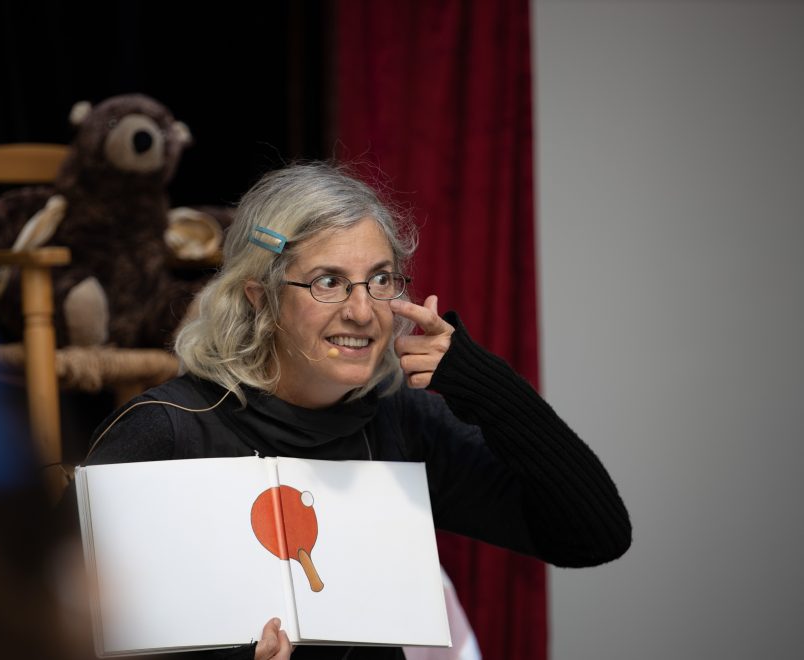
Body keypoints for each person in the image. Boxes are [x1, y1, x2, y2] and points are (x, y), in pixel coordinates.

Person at [84, 162, 632, 659]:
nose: (363, 311)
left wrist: (486, 385)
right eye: (329, 282)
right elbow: (58, 630)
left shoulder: (402, 423)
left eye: (381, 279)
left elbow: (592, 535)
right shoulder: (165, 430)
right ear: (261, 297)